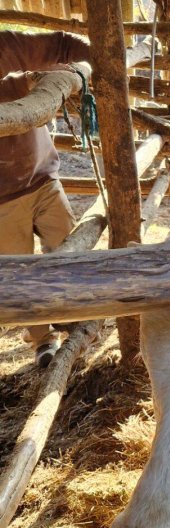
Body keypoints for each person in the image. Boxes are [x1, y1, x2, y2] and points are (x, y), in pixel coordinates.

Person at [0, 30, 91, 367]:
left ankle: (76, 318)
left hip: (42, 179)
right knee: (22, 274)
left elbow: (61, 44)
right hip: (2, 201)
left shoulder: (5, 46)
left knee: (69, 245)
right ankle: (43, 342)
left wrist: (96, 62)